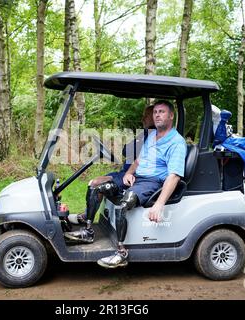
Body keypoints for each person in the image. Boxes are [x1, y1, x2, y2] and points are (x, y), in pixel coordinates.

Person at [67, 100, 187, 269]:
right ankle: (88, 231)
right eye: (155, 112)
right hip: (137, 177)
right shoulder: (152, 136)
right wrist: (129, 173)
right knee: (98, 187)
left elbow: (174, 176)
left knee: (124, 202)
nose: (157, 115)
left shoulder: (176, 142)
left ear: (171, 116)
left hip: (152, 182)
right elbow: (138, 160)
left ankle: (121, 252)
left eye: (162, 112)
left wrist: (159, 204)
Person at [66, 105, 155, 226]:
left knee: (95, 183)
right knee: (95, 182)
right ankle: (87, 216)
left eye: (146, 115)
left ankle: (87, 220)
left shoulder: (151, 134)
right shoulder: (145, 134)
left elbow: (126, 150)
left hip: (133, 178)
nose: (142, 118)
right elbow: (127, 150)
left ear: (155, 117)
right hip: (124, 174)